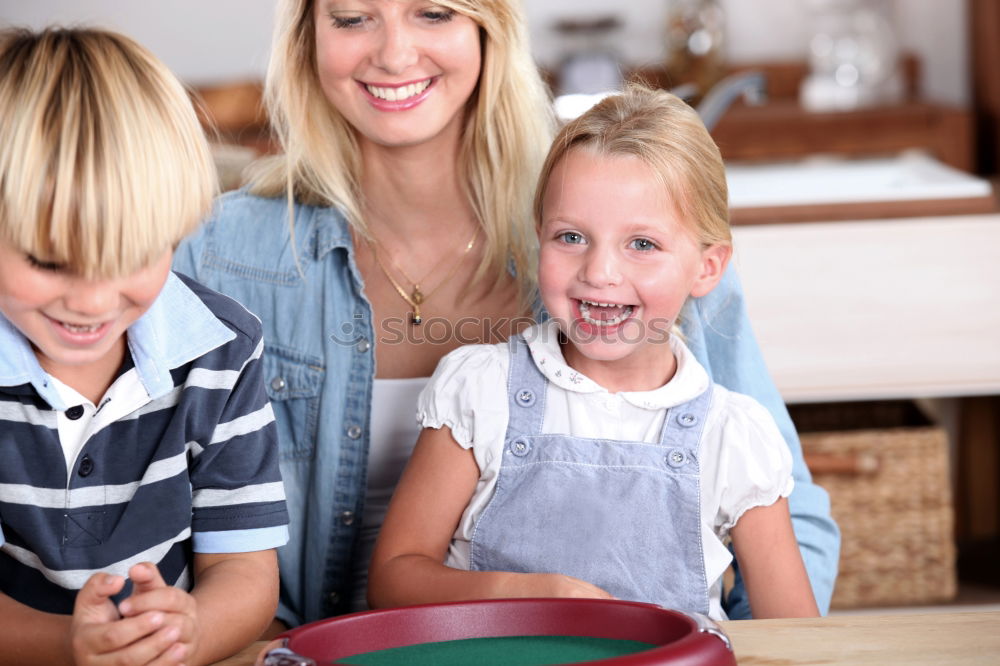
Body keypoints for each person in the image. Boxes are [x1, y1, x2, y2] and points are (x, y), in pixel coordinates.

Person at [173, 0, 838, 628]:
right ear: (307, 41)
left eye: (434, 11)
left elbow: (782, 520)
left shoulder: (623, 210)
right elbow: (151, 507)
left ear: (489, 26)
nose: (394, 52)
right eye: (353, 18)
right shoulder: (222, 256)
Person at [367, 85, 819, 620]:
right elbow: (394, 577)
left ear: (707, 267)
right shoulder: (478, 390)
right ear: (539, 238)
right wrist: (529, 594)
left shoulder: (734, 435)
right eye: (572, 237)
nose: (600, 273)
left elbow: (795, 634)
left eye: (643, 244)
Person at [0, 28, 289, 664]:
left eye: (133, 256)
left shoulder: (222, 349)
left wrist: (188, 633)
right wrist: (74, 644)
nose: (93, 302)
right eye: (51, 262)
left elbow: (244, 572)